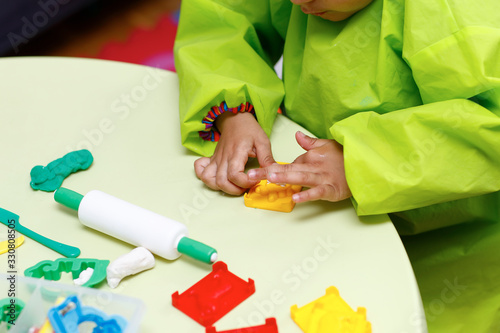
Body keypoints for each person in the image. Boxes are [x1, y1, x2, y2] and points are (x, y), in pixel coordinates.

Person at [174, 0, 500, 331]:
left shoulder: (455, 11)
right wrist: (234, 109)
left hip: (452, 248)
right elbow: (222, 18)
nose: (297, 2)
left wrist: (361, 159)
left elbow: (492, 125)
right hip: (325, 232)